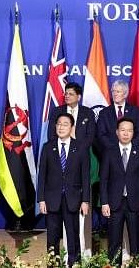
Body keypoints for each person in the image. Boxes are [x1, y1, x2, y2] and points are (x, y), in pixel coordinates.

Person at [37, 113, 90, 267]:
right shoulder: (48, 147)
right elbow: (42, 176)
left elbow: (85, 176)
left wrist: (85, 200)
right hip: (52, 200)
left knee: (73, 235)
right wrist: (41, 199)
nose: (61, 127)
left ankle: (74, 264)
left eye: (65, 124)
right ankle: (53, 264)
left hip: (73, 199)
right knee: (52, 237)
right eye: (59, 124)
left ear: (72, 128)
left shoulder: (80, 147)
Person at [100, 117, 139, 264]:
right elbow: (104, 180)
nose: (126, 133)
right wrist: (104, 202)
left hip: (135, 204)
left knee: (136, 242)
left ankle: (137, 265)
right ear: (117, 132)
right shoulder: (109, 152)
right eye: (123, 130)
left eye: (129, 130)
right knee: (114, 243)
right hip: (114, 204)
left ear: (133, 133)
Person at [97, 80, 139, 151]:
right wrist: (113, 148)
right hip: (110, 152)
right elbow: (101, 134)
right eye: (113, 91)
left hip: (131, 152)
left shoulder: (135, 111)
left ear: (125, 94)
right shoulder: (104, 113)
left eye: (118, 92)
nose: (114, 94)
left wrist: (130, 146)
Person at [47, 82, 96, 149]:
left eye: (71, 94)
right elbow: (51, 134)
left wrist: (79, 149)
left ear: (78, 97)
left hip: (81, 152)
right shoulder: (56, 111)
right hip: (61, 151)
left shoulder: (88, 113)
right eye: (66, 94)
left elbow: (91, 136)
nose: (67, 96)